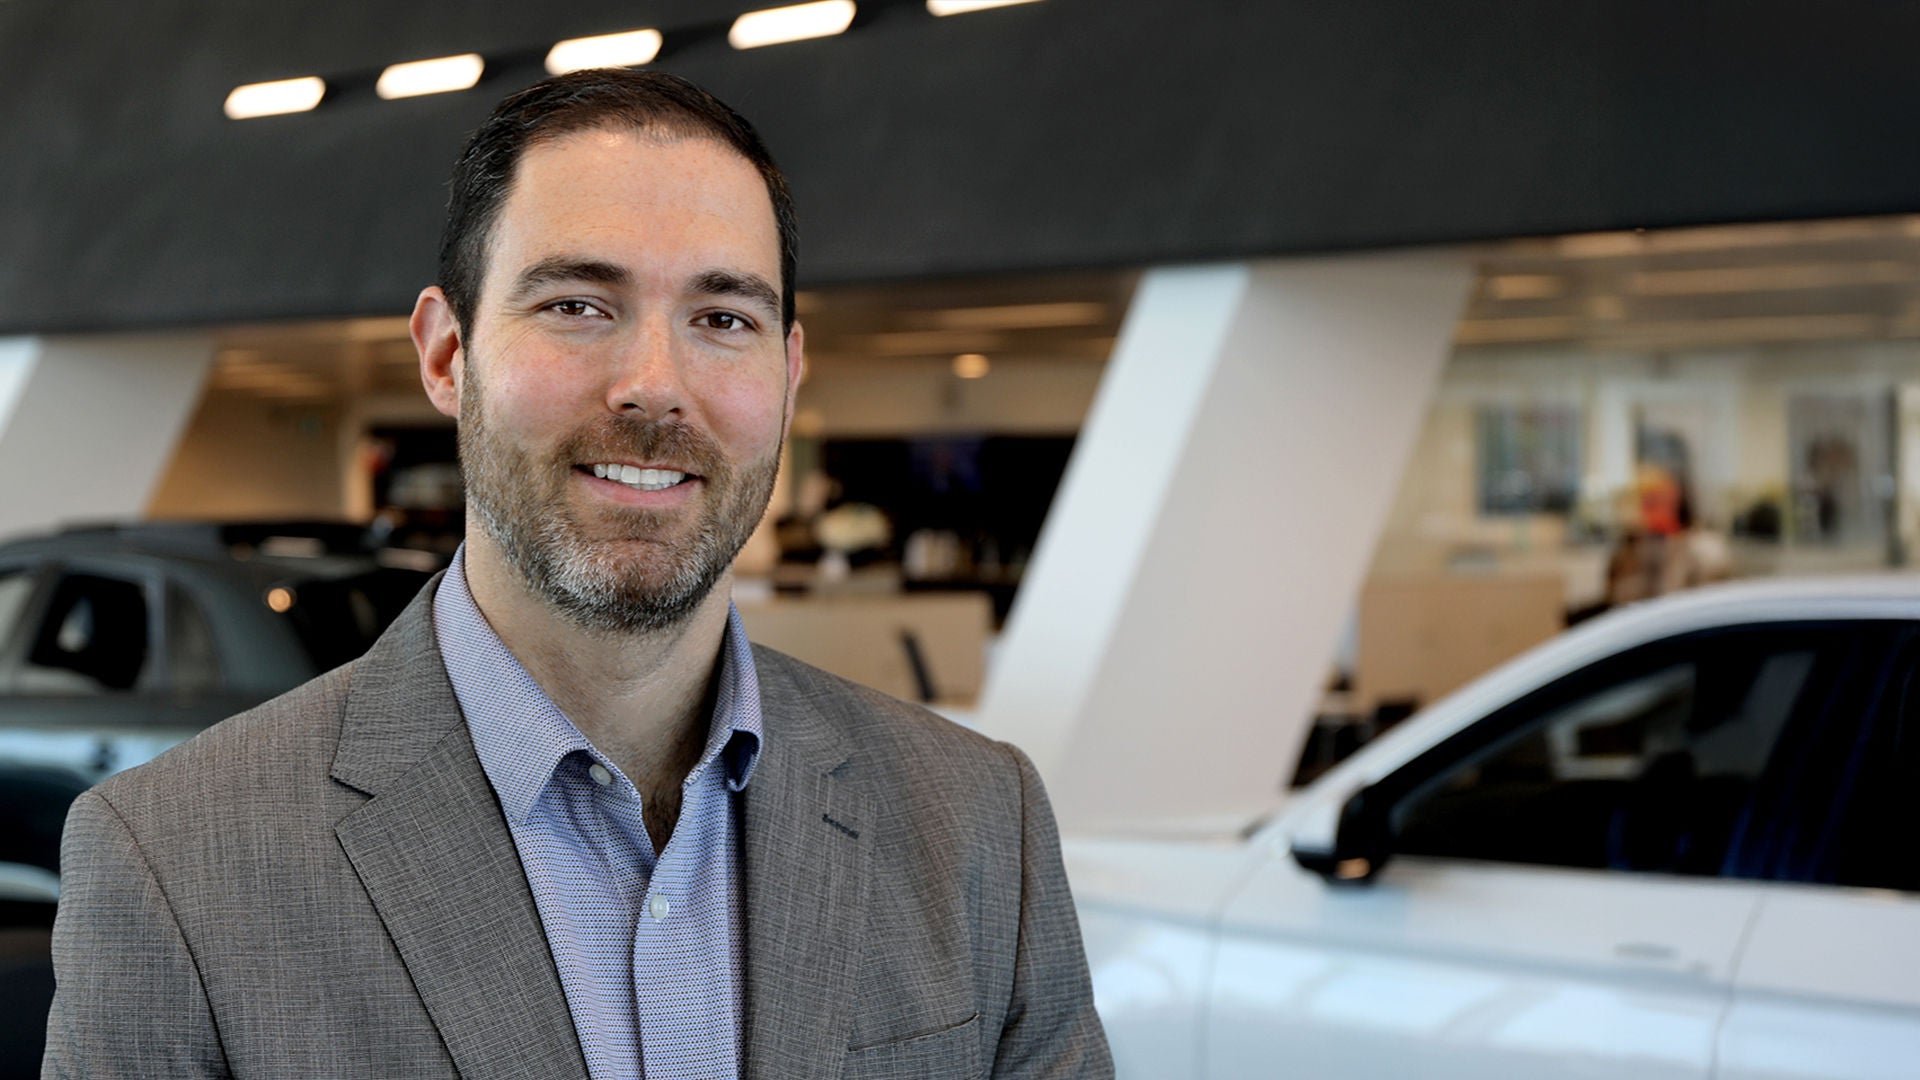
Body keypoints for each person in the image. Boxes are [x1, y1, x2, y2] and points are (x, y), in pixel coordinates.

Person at [43, 69, 1111, 1078]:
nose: (654, 386)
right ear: (446, 354)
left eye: (722, 319)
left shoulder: (978, 823)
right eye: (577, 306)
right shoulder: (172, 864)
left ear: (787, 374)